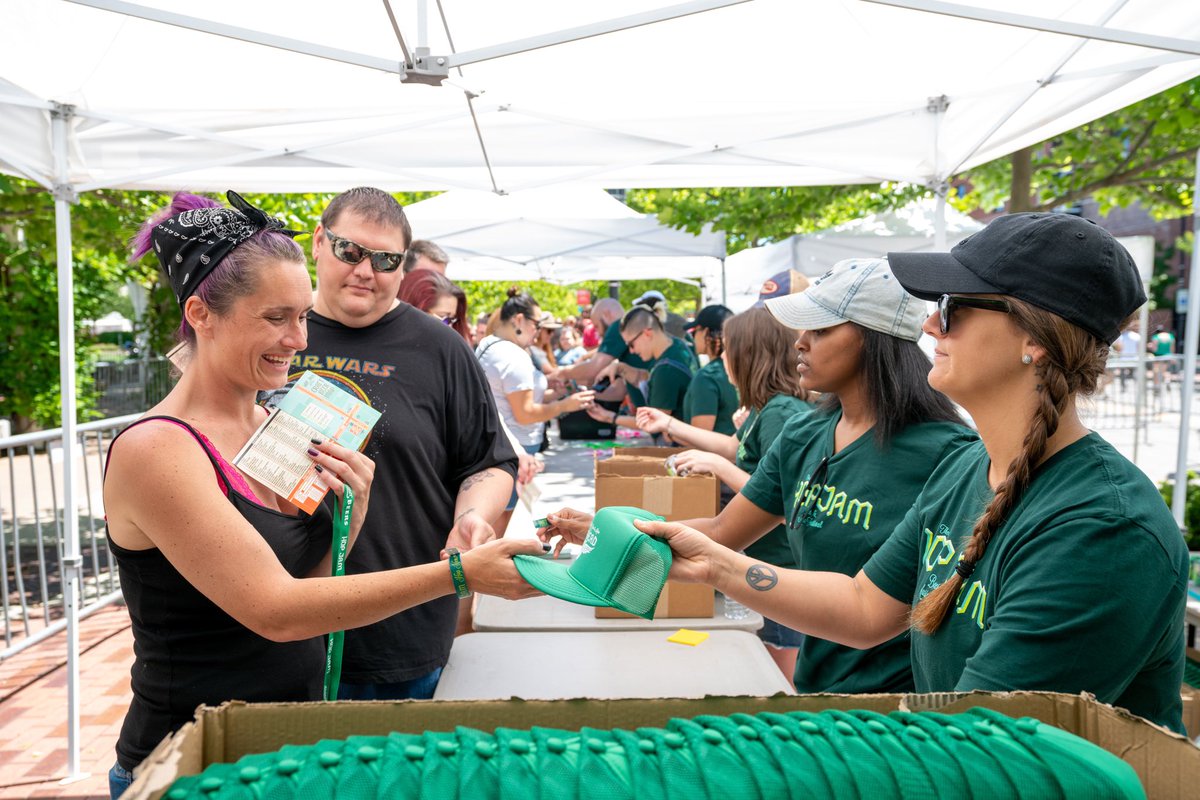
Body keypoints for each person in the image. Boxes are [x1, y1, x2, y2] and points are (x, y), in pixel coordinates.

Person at [627, 214, 1187, 733]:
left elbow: (979, 751)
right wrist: (715, 565)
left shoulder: (1101, 530)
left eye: (955, 306)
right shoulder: (966, 467)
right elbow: (865, 607)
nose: (929, 322)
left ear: (1034, 338)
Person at [106, 191, 542, 799]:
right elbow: (277, 611)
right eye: (276, 318)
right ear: (201, 314)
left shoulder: (268, 423)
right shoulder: (156, 448)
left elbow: (305, 588)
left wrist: (350, 520)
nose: (297, 339)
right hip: (192, 761)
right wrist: (460, 575)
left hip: (283, 751)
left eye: (302, 316)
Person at [552, 258, 975, 695]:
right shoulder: (803, 435)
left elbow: (875, 611)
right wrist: (607, 528)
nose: (800, 344)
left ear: (875, 339)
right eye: (802, 330)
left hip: (901, 705)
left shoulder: (946, 454)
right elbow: (721, 531)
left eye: (821, 329)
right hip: (816, 687)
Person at [299, 187, 522, 701]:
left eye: (384, 260)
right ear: (318, 242)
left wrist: (473, 514)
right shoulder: (275, 331)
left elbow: (489, 462)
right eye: (349, 251)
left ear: (403, 268)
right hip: (280, 629)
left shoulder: (441, 348)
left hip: (401, 633)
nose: (364, 271)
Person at [636, 306, 814, 676]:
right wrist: (671, 425)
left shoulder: (781, 414)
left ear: (750, 354)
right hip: (767, 563)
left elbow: (785, 501)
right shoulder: (767, 410)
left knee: (781, 673)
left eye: (728, 349)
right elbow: (736, 448)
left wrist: (720, 468)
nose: (722, 358)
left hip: (781, 566)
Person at [476, 288, 595, 533]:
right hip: (514, 446)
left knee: (489, 523)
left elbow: (511, 399)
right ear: (519, 320)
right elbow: (525, 412)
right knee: (493, 528)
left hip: (501, 442)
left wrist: (554, 394)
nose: (538, 331)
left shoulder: (490, 345)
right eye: (536, 324)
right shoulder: (512, 355)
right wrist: (565, 405)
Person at [587, 304, 697, 435]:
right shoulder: (676, 345)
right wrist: (620, 368)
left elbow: (654, 423)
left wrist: (608, 417)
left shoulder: (666, 370)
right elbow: (649, 378)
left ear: (647, 333)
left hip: (679, 446)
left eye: (631, 344)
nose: (631, 351)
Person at [681, 304, 738, 434]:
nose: (692, 337)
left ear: (706, 332)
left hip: (714, 453)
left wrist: (669, 431)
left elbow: (700, 435)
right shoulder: (743, 369)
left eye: (694, 332)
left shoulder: (707, 377)